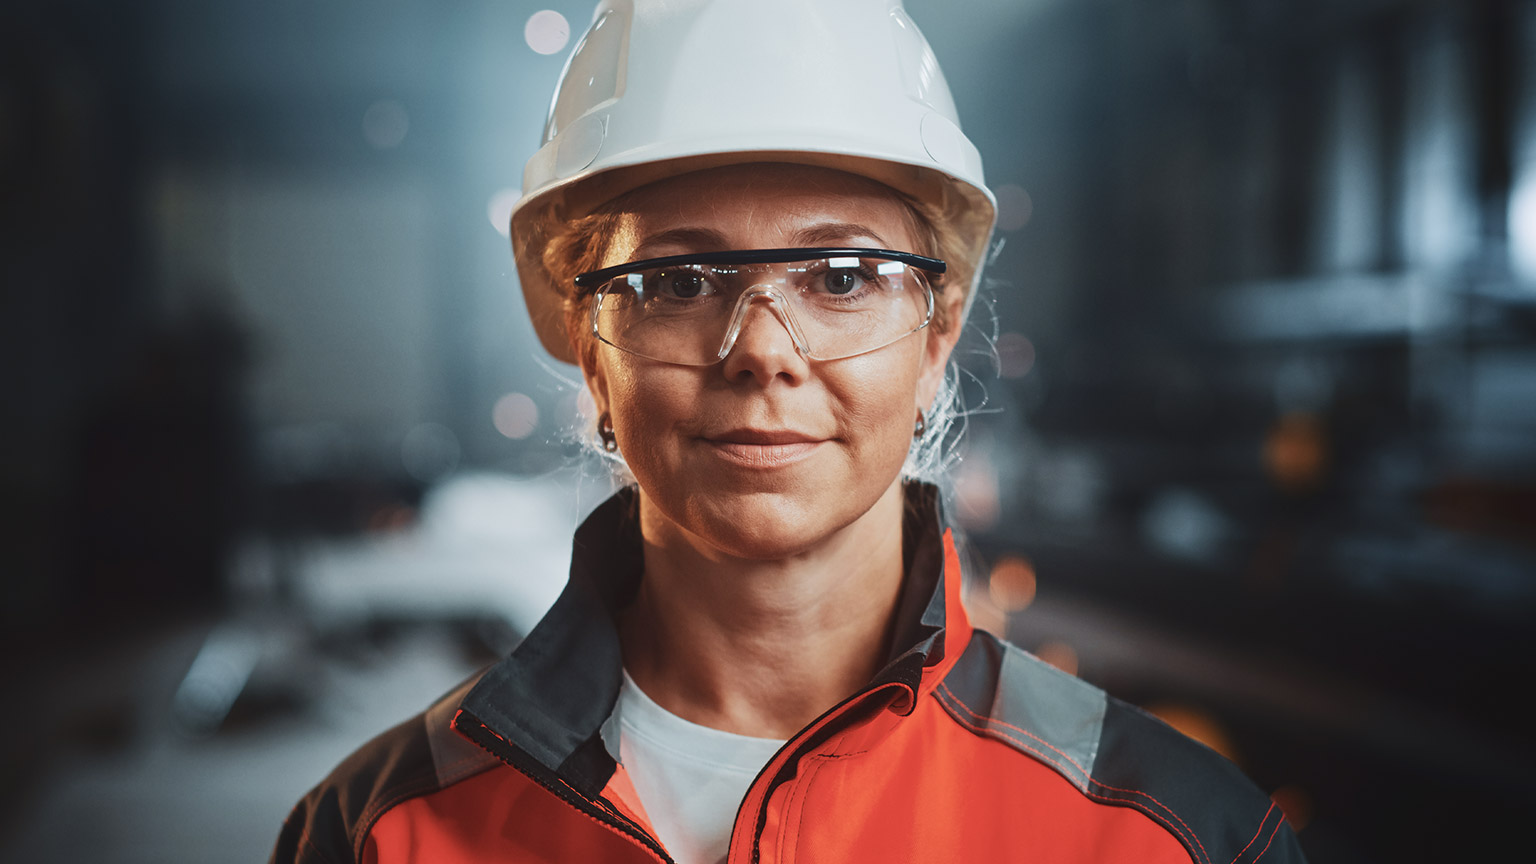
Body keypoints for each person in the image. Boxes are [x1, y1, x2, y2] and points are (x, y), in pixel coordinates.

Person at [271, 1, 1308, 862]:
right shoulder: (382, 833)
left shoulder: (1174, 838)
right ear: (593, 353)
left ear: (935, 337)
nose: (762, 351)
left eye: (843, 277)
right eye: (677, 280)